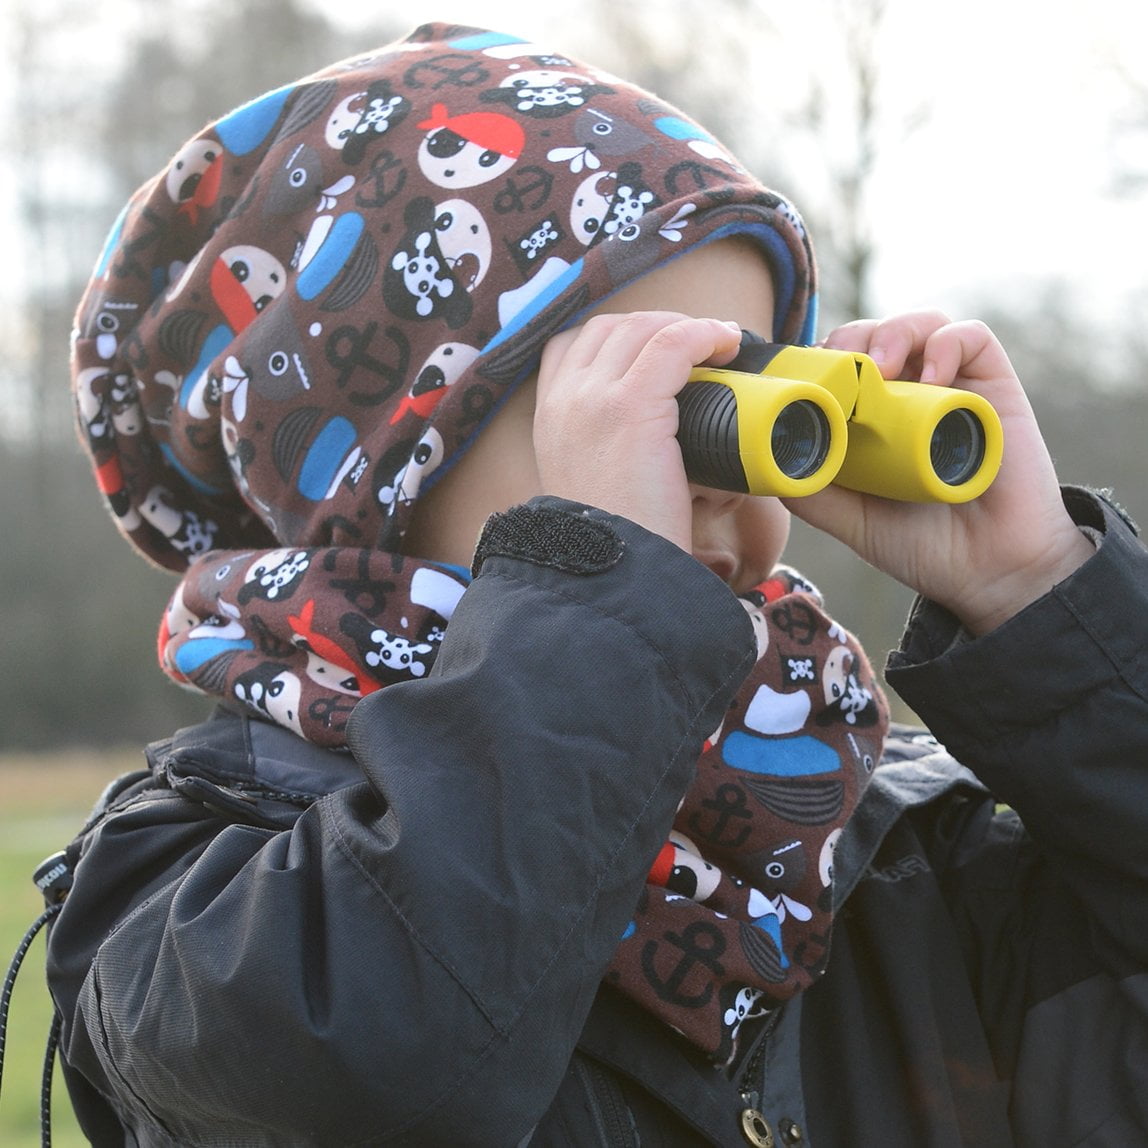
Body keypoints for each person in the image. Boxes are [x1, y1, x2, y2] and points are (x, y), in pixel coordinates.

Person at [52, 20, 1148, 1147]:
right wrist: (600, 595)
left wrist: (1042, 591)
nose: (717, 486)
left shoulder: (874, 850)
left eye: (755, 400)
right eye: (636, 406)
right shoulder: (202, 892)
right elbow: (374, 1073)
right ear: (376, 467)